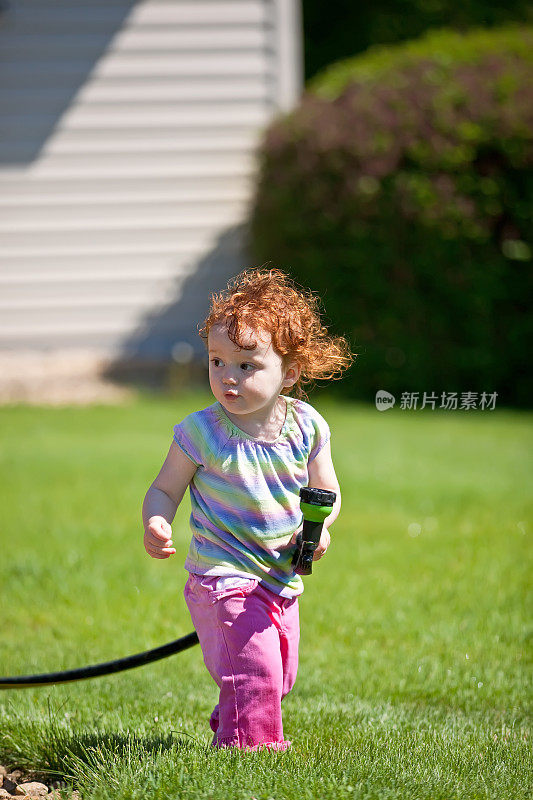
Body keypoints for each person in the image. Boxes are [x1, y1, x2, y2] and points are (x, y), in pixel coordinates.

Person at [142, 267, 352, 751]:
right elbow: (165, 489)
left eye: (246, 366)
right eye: (217, 362)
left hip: (280, 574)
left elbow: (327, 492)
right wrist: (156, 518)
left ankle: (237, 718)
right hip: (223, 576)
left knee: (279, 676)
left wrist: (317, 529)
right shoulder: (201, 432)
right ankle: (250, 756)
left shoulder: (307, 426)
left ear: (290, 372)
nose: (227, 378)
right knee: (255, 667)